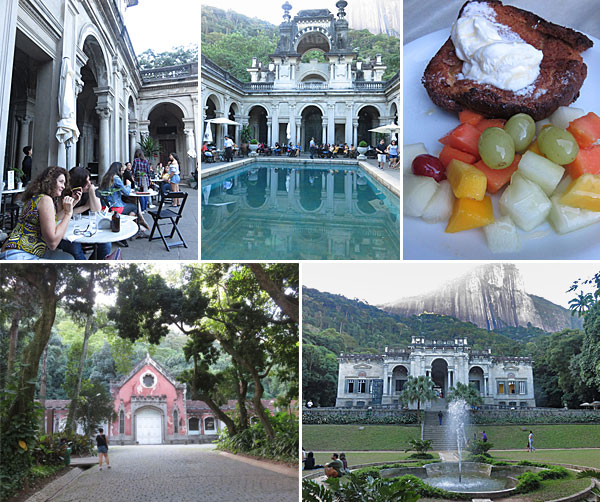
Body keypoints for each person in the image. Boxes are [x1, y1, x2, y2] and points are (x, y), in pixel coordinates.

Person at [0, 166, 77, 260]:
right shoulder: (46, 200)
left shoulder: (37, 197)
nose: (63, 186)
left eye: (64, 183)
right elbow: (53, 243)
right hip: (19, 255)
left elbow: (53, 219)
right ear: (51, 181)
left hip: (13, 250)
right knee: (68, 259)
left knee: (66, 257)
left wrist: (71, 206)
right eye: (61, 181)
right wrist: (68, 214)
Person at [58, 167, 111, 260]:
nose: (89, 184)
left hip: (88, 227)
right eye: (86, 182)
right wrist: (85, 207)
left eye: (89, 180)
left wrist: (91, 193)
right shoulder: (65, 193)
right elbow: (61, 215)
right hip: (69, 230)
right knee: (74, 248)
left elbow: (97, 211)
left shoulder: (92, 190)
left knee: (106, 246)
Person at [99, 161, 150, 233]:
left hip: (106, 207)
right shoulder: (116, 178)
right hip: (116, 208)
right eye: (122, 170)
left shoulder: (106, 177)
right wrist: (128, 185)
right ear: (118, 170)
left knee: (132, 202)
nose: (123, 172)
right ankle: (132, 225)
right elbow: (126, 193)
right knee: (135, 207)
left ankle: (139, 223)